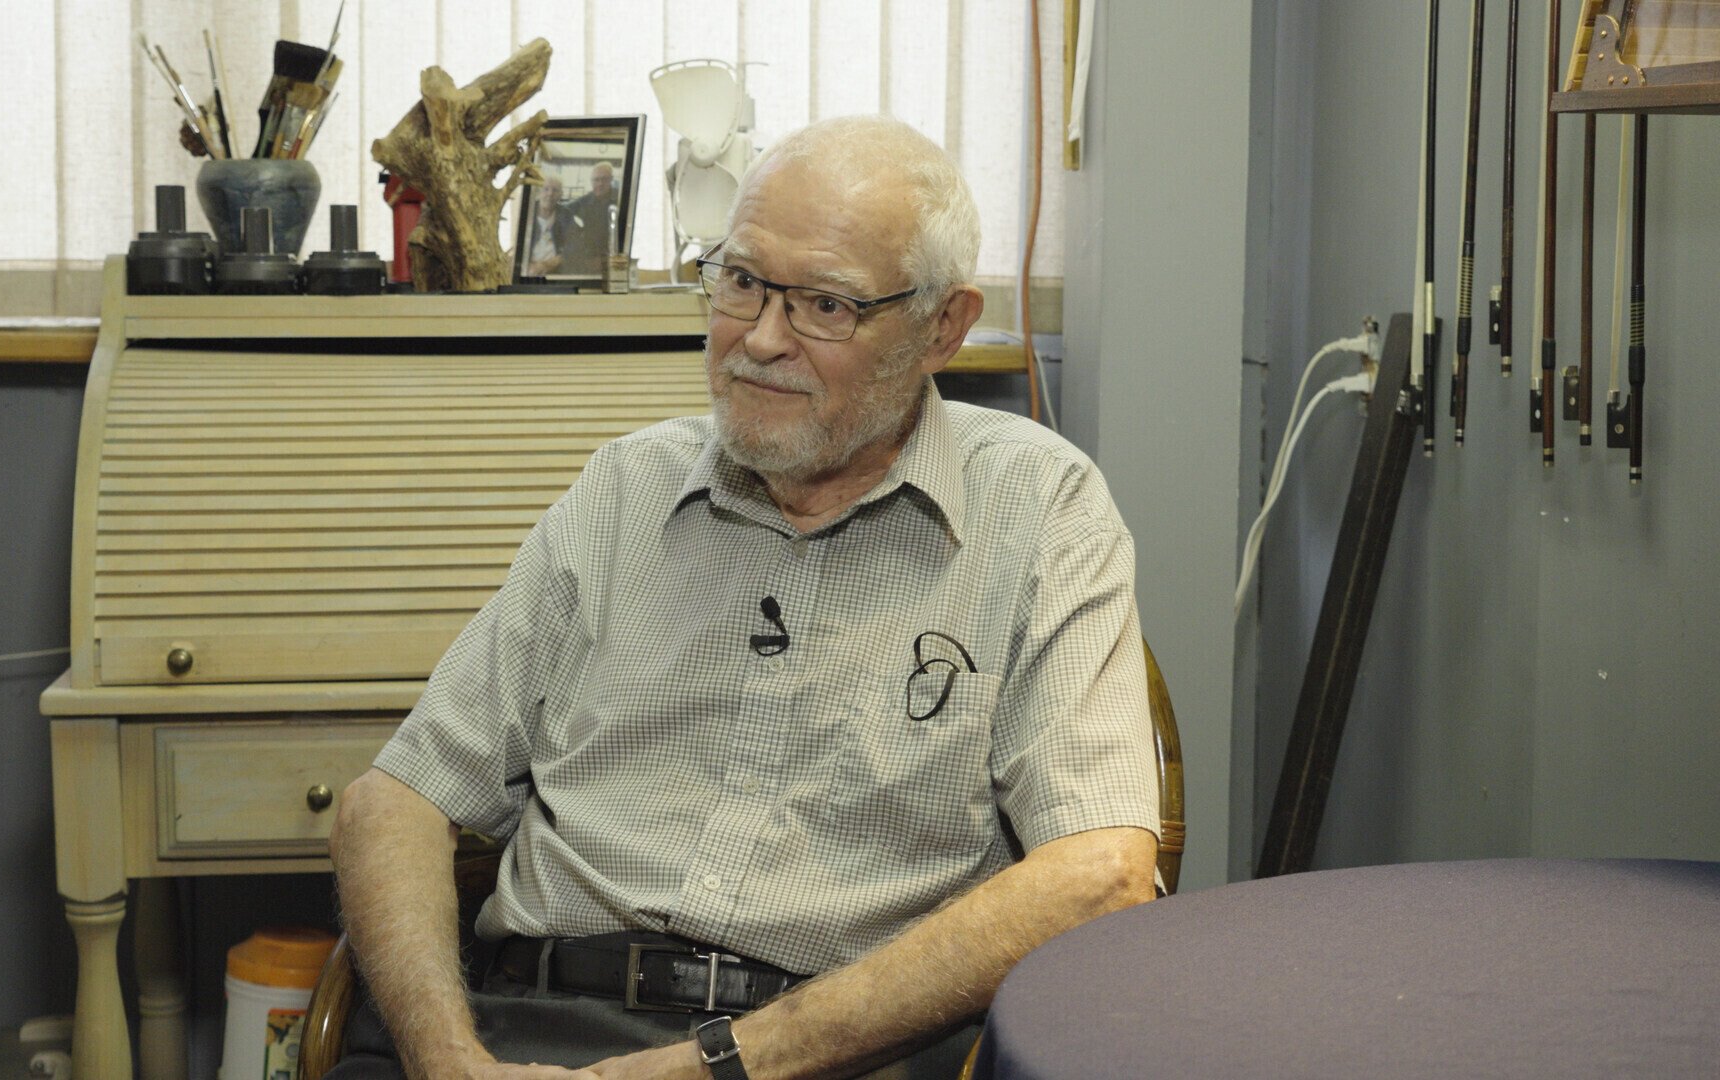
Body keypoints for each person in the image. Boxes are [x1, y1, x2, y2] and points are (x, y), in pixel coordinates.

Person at [329, 114, 1159, 1080]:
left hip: (835, 1052)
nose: (760, 340)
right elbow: (392, 801)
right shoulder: (625, 490)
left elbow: (1101, 872)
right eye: (741, 282)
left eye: (826, 306)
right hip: (531, 1029)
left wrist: (718, 1065)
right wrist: (446, 1058)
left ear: (944, 327)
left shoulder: (1039, 509)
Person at [559, 161, 619, 276]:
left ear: (611, 179)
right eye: (596, 180)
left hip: (615, 261)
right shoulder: (583, 202)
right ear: (591, 181)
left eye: (604, 179)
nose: (600, 184)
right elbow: (562, 211)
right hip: (587, 262)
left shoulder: (621, 200)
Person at [523, 176, 569, 277]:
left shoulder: (566, 215)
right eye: (546, 189)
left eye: (555, 190)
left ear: (561, 195)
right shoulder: (526, 212)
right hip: (527, 271)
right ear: (538, 191)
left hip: (556, 272)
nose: (550, 194)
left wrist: (547, 265)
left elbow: (572, 248)